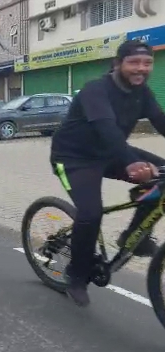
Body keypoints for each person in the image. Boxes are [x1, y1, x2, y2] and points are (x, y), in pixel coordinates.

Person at [50, 39, 165, 307]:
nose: (141, 68)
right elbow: (107, 129)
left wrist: (129, 161)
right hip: (74, 159)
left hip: (111, 154)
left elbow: (160, 121)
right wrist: (130, 163)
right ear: (118, 64)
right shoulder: (96, 90)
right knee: (91, 214)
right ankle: (76, 275)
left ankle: (133, 236)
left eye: (147, 63)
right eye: (134, 62)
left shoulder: (143, 93)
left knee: (163, 176)